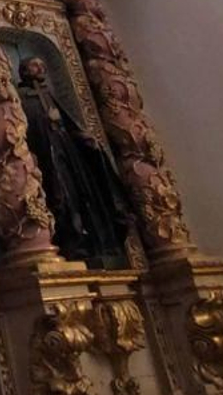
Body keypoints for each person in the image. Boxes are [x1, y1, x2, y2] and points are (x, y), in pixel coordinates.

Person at [17, 56, 135, 267]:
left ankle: (93, 240)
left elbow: (69, 124)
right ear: (24, 71)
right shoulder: (22, 98)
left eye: (43, 65)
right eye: (36, 65)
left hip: (67, 152)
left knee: (82, 192)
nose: (42, 68)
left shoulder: (49, 95)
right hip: (46, 157)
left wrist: (83, 137)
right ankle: (71, 241)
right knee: (61, 195)